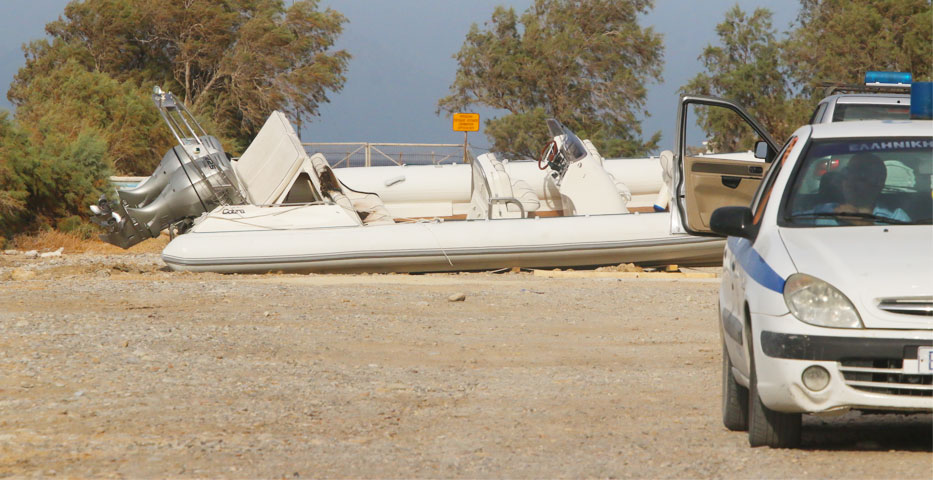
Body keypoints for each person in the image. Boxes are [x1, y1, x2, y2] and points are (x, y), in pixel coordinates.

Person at [811, 152, 910, 224]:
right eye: (848, 172)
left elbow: (905, 244)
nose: (850, 178)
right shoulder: (821, 212)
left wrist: (857, 221)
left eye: (860, 174)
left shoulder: (896, 217)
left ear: (879, 182)